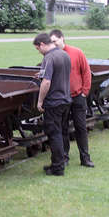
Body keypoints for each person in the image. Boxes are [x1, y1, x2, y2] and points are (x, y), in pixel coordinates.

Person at [49, 29, 94, 167]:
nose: (53, 44)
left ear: (62, 38)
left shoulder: (76, 52)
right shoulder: (52, 56)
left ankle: (85, 158)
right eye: (51, 42)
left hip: (77, 97)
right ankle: (64, 157)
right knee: (63, 129)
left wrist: (84, 92)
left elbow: (86, 72)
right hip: (62, 99)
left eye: (55, 41)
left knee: (80, 127)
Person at [33, 33, 71, 176]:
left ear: (42, 44)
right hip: (66, 99)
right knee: (61, 133)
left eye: (38, 49)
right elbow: (59, 74)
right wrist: (42, 74)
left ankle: (57, 168)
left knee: (54, 134)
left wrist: (40, 101)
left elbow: (47, 82)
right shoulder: (64, 55)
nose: (39, 52)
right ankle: (58, 163)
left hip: (54, 102)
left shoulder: (49, 57)